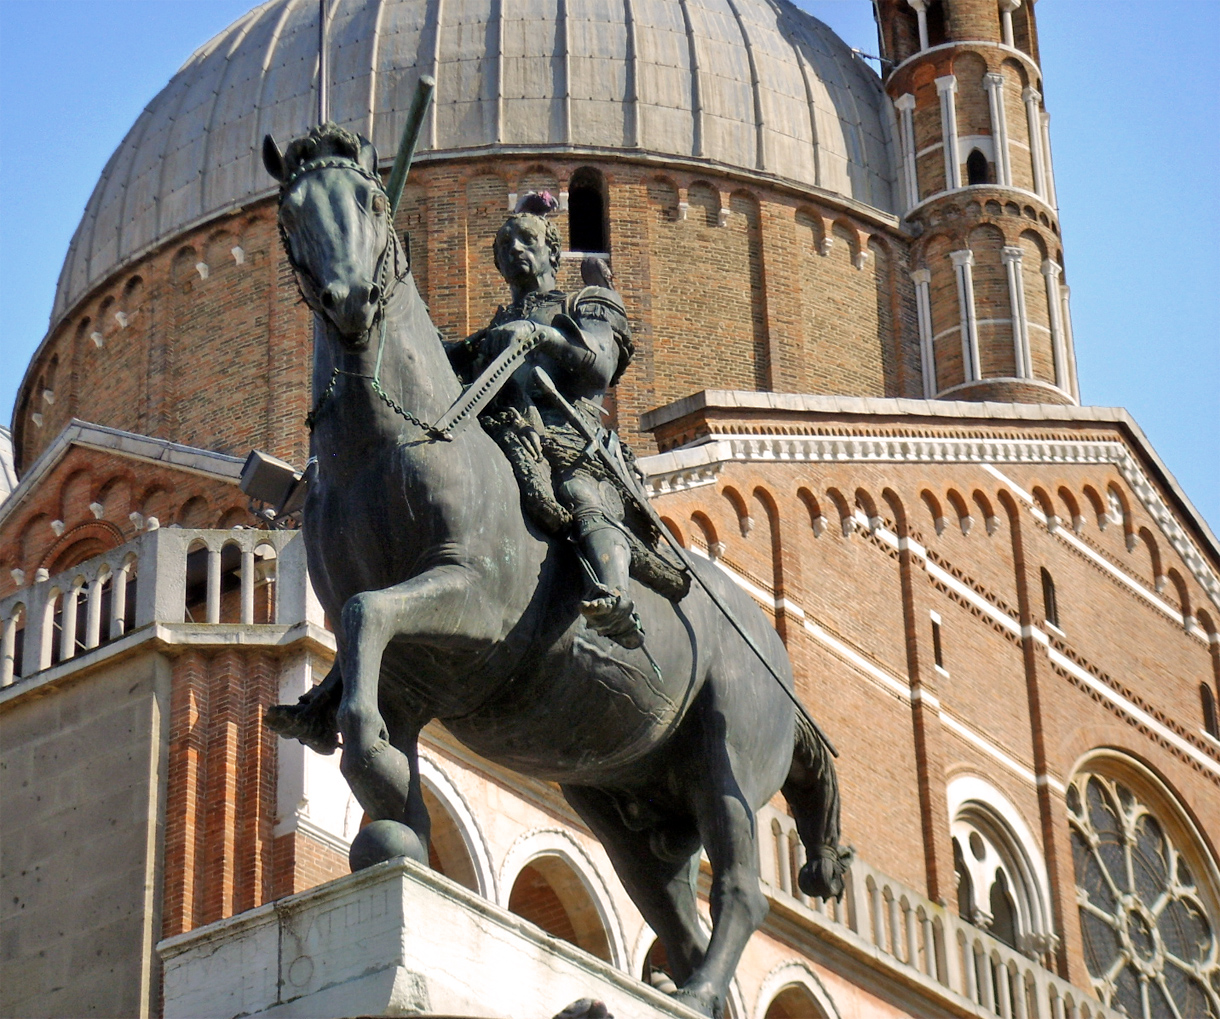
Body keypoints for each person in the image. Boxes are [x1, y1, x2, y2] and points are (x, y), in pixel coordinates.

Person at [446, 196, 644, 648]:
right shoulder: (494, 327)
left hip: (568, 436)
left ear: (553, 252)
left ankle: (617, 595)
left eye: (526, 239)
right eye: (503, 244)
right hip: (502, 433)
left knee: (578, 491)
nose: (514, 248)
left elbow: (598, 363)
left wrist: (544, 335)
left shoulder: (587, 302)